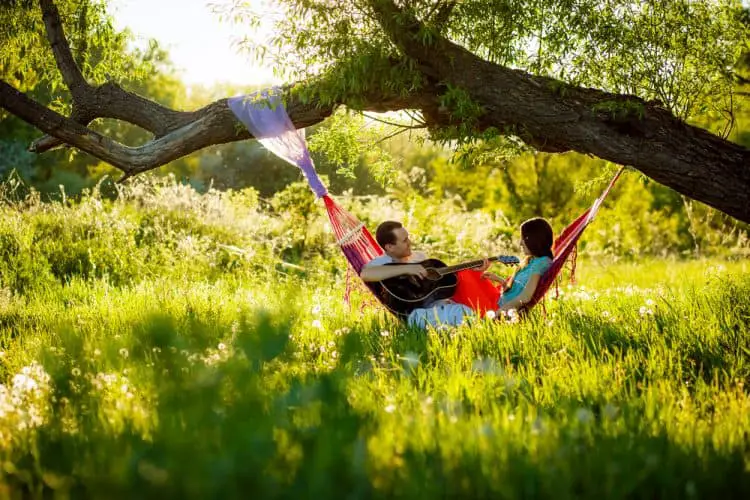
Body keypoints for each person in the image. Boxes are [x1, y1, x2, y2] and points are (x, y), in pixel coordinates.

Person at [360, 221, 488, 329]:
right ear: (389, 247)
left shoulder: (419, 257)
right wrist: (407, 269)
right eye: (404, 241)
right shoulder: (381, 263)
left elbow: (444, 277)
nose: (409, 242)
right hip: (413, 314)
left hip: (434, 306)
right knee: (462, 315)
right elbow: (365, 274)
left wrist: (472, 268)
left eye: (408, 237)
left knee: (467, 310)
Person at [482, 217, 554, 313]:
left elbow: (526, 297)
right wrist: (500, 281)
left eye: (523, 238)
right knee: (470, 276)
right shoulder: (532, 260)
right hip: (497, 301)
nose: (520, 243)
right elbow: (517, 290)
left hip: (497, 307)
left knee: (465, 277)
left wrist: (499, 312)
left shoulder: (542, 263)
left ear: (534, 239)